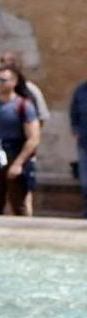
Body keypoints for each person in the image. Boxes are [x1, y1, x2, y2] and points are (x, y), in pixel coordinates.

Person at [0, 65, 41, 216]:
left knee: (19, 205)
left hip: (15, 152)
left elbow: (33, 138)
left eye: (3, 80)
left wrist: (19, 163)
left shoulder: (24, 106)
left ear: (14, 82)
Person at [71, 79, 87, 218]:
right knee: (85, 181)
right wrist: (75, 129)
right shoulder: (81, 90)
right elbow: (74, 112)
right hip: (84, 143)